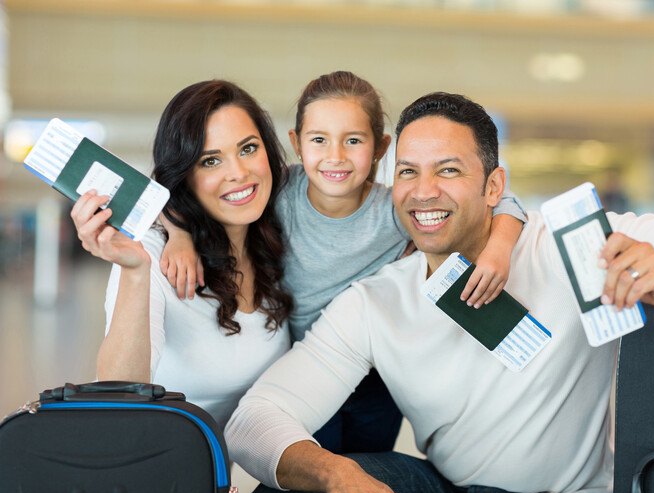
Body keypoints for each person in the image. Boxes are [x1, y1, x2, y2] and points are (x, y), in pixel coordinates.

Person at [223, 91, 654, 493]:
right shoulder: (376, 301)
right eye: (408, 172)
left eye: (448, 170)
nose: (423, 192)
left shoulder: (571, 246)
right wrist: (337, 473)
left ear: (495, 185)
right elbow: (255, 420)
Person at [160, 71, 528, 454]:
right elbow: (171, 194)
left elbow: (502, 199)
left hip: (377, 375)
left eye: (353, 140)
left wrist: (499, 247)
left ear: (381, 148)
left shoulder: (396, 210)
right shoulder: (278, 193)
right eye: (319, 140)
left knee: (370, 464)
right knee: (317, 473)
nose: (335, 157)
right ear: (296, 144)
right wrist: (180, 235)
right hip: (306, 367)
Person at [69, 80, 293, 430]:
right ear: (184, 176)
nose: (238, 173)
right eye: (210, 161)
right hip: (152, 473)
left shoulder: (278, 234)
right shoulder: (154, 255)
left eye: (248, 149)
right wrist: (136, 270)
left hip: (216, 479)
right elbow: (115, 396)